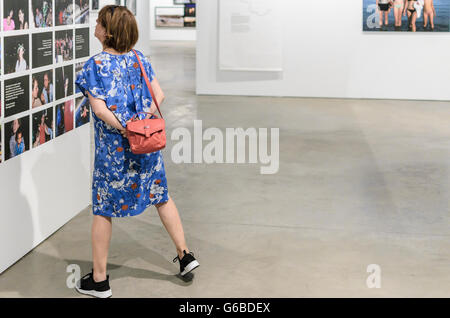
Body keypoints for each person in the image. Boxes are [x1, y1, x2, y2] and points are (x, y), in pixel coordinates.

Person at [74, 5, 199, 298]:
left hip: (114, 151)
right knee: (161, 196)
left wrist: (125, 129)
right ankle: (185, 256)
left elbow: (99, 109)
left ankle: (100, 281)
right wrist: (143, 125)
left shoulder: (95, 65)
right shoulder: (139, 58)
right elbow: (160, 95)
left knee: (103, 208)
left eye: (99, 22)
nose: (95, 24)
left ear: (108, 30)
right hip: (146, 145)